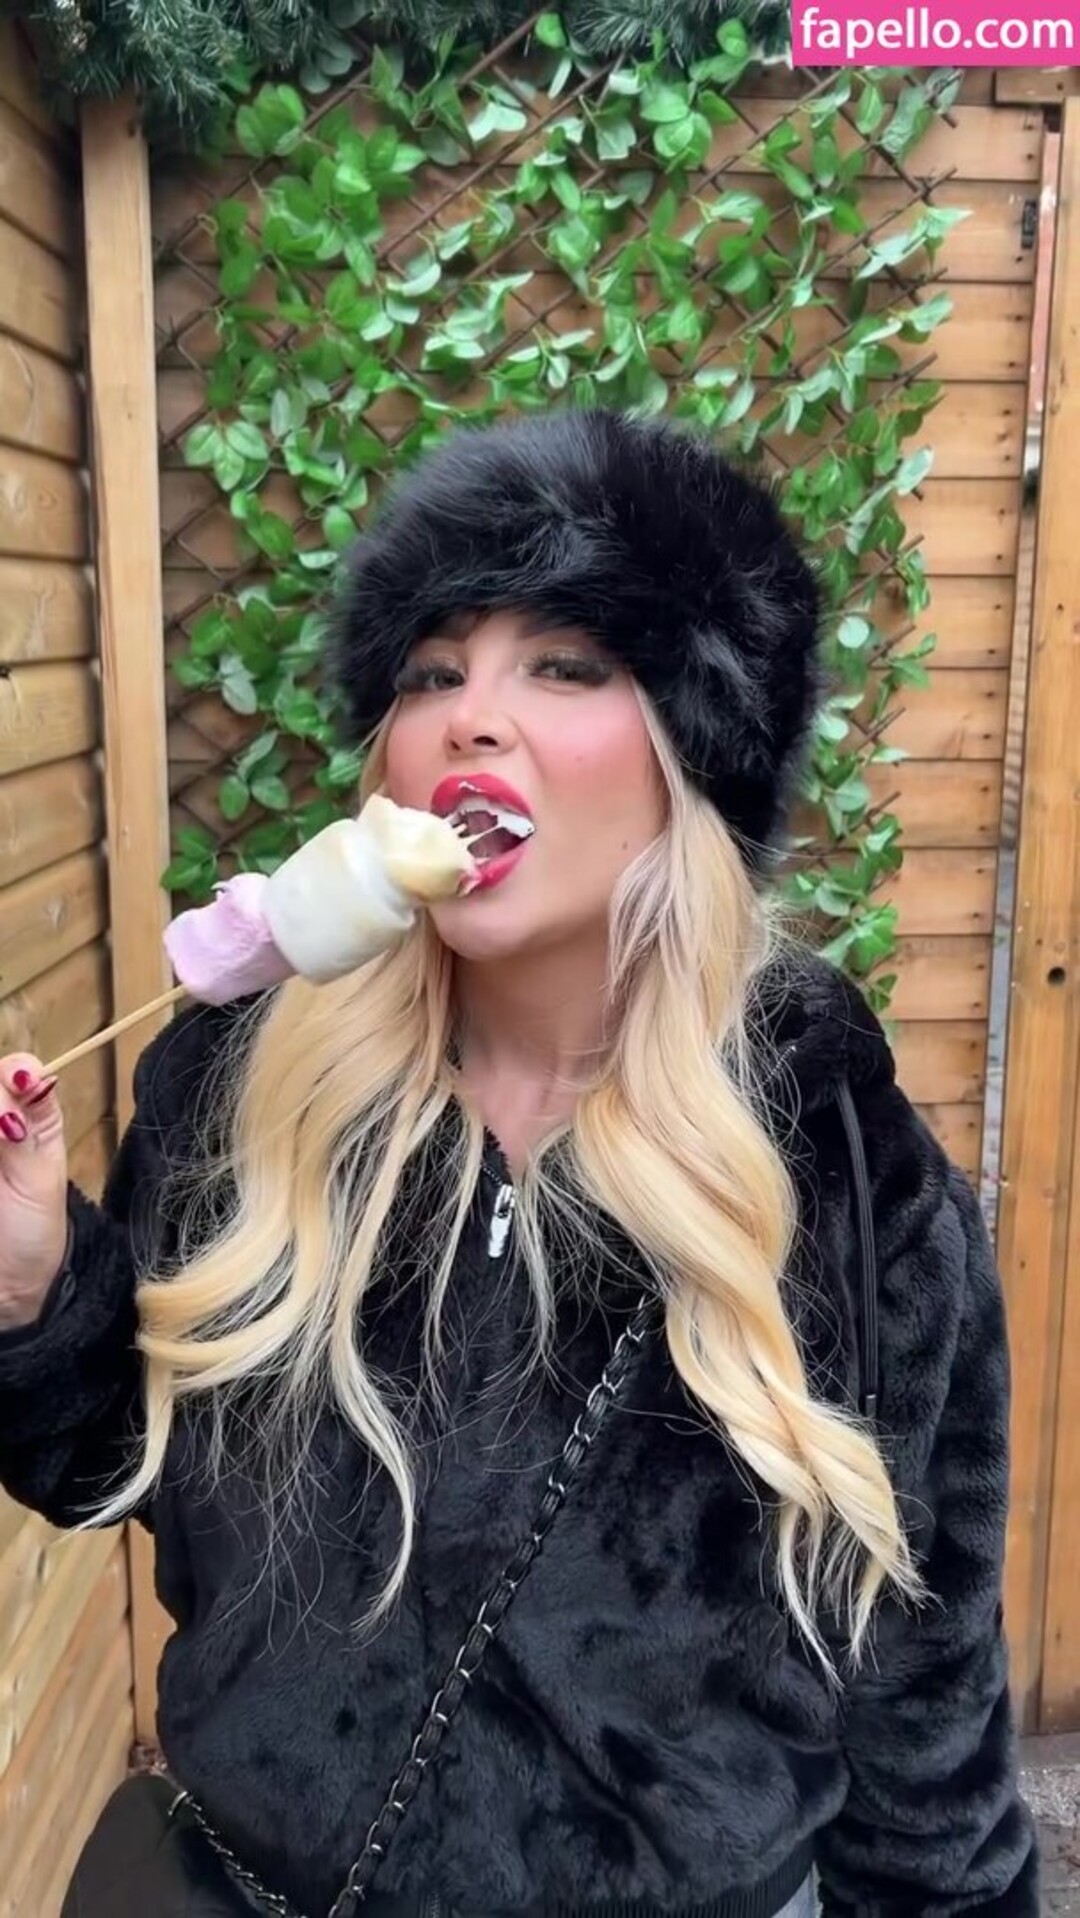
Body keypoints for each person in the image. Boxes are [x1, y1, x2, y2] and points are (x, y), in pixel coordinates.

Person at [0, 407, 1037, 1917]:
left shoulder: (840, 1174)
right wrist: (34, 1290)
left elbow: (924, 1704)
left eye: (564, 664)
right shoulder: (244, 1091)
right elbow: (132, 1476)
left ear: (689, 755)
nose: (468, 720)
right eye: (432, 674)